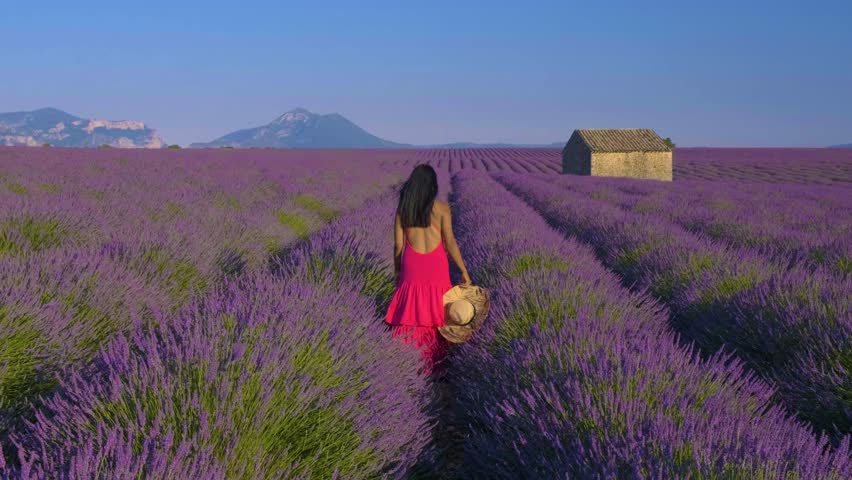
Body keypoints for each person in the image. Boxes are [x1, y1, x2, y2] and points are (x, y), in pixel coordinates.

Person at [385, 164, 471, 375]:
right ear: (432, 186)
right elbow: (450, 243)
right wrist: (463, 270)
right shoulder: (442, 209)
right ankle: (438, 364)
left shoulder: (403, 210)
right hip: (436, 265)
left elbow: (398, 246)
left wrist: (398, 272)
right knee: (438, 311)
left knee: (411, 312)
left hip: (412, 265)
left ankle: (409, 362)